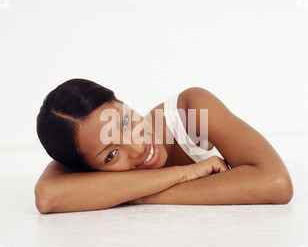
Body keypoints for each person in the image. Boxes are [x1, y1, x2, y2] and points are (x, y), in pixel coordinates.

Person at [35, 79, 293, 213]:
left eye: (125, 121)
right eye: (111, 154)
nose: (137, 147)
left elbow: (276, 182)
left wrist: (139, 195)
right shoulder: (82, 144)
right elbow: (47, 196)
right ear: (88, 169)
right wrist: (182, 174)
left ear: (123, 102)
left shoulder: (191, 111)